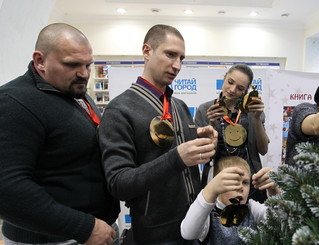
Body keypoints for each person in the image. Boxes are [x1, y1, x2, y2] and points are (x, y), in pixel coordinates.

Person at [98, 24, 218, 244]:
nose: (177, 65)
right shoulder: (120, 110)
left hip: (196, 224)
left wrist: (202, 141)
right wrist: (176, 158)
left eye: (182, 58)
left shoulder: (179, 106)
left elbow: (178, 157)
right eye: (170, 54)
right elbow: (118, 183)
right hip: (157, 233)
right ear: (147, 51)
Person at [0, 23, 119, 245]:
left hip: (95, 231)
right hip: (54, 239)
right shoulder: (14, 102)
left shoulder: (73, 93)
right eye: (72, 64)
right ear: (40, 61)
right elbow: (7, 189)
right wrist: (83, 227)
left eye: (88, 65)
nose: (84, 74)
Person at [195, 64, 270, 203]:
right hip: (217, 181)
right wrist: (211, 124)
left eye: (240, 88)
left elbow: (263, 150)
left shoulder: (252, 111)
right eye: (230, 82)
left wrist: (257, 118)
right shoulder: (205, 110)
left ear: (246, 90)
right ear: (224, 78)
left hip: (249, 182)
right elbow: (203, 156)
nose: (232, 90)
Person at [180, 156, 280, 244]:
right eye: (233, 182)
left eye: (245, 182)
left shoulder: (252, 208)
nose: (240, 187)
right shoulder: (209, 214)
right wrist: (209, 191)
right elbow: (188, 233)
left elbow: (280, 221)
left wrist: (275, 192)